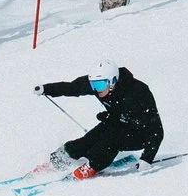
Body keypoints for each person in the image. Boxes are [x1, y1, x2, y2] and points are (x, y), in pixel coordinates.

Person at [36, 62, 164, 178]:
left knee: (109, 143)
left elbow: (156, 130)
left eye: (100, 85)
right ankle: (58, 161)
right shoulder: (100, 84)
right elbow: (73, 87)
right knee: (88, 139)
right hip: (117, 123)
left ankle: (92, 166)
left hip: (141, 134)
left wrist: (147, 159)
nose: (97, 90)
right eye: (94, 85)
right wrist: (47, 89)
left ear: (113, 81)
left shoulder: (138, 92)